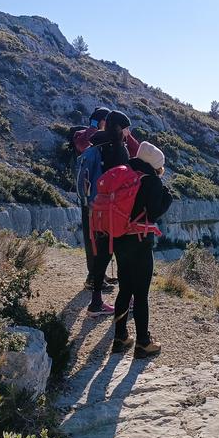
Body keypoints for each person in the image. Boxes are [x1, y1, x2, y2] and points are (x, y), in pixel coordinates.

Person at [111, 141, 172, 357]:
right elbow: (153, 213)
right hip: (140, 241)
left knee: (124, 289)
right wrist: (167, 199)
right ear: (155, 165)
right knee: (141, 294)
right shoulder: (152, 181)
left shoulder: (124, 173)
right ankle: (143, 343)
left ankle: (120, 337)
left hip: (120, 239)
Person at [85, 110, 138, 316]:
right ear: (119, 128)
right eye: (126, 128)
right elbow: (124, 182)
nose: (128, 132)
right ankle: (128, 299)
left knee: (102, 255)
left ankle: (96, 302)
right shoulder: (119, 149)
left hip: (98, 208)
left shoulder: (97, 143)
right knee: (123, 255)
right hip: (115, 211)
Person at [75, 107, 114, 295]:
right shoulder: (92, 143)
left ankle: (99, 275)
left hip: (91, 200)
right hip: (92, 202)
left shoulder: (90, 144)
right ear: (101, 122)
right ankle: (93, 278)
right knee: (93, 240)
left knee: (96, 239)